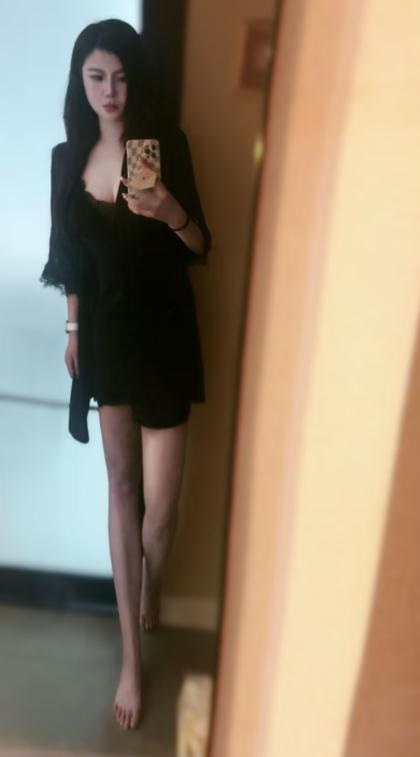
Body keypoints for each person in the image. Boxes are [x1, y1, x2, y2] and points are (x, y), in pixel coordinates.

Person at [40, 18, 211, 731]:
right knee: (120, 489)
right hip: (106, 340)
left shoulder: (165, 144)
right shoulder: (67, 156)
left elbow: (200, 244)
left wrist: (169, 210)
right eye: (96, 77)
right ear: (80, 81)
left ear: (134, 80)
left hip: (164, 336)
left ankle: (152, 579)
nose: (109, 90)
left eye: (120, 76)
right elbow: (68, 253)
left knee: (159, 514)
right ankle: (131, 662)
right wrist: (73, 328)